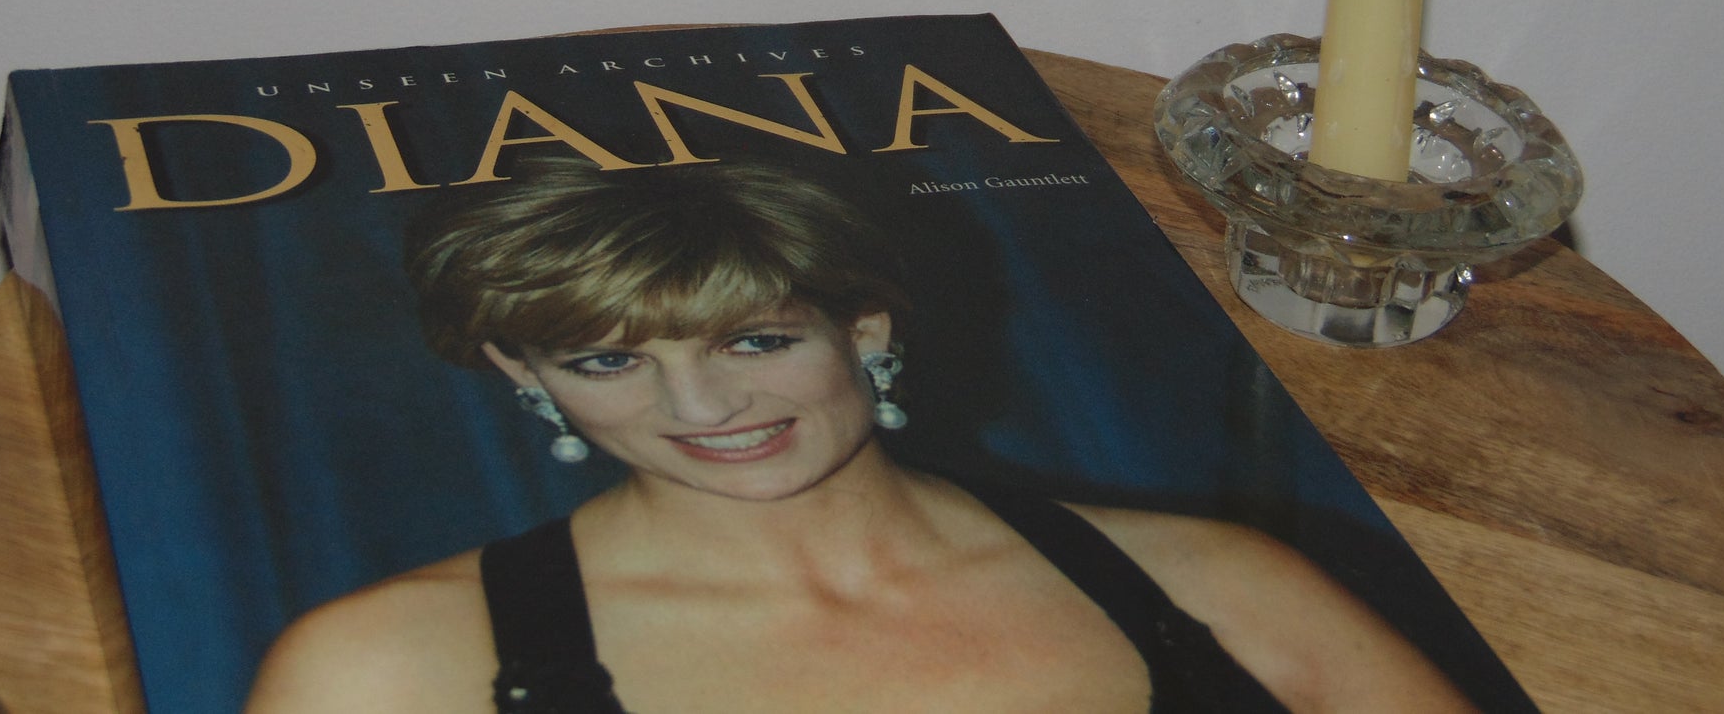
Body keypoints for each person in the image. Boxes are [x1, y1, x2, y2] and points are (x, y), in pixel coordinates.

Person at [246, 158, 1474, 714]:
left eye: (753, 340)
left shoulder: (1217, 582)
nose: (702, 408)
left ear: (864, 327)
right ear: (522, 372)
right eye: (608, 360)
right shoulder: (384, 665)